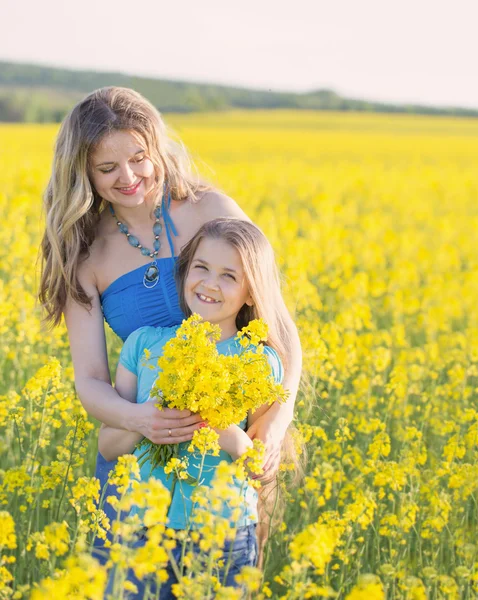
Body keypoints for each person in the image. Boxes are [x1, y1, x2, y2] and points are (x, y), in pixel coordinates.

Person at [38, 87, 302, 560]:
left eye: (139, 157)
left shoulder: (212, 210)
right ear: (83, 173)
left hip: (221, 462)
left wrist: (277, 424)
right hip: (136, 465)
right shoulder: (86, 255)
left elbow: (279, 330)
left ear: (156, 148)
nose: (129, 177)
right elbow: (92, 382)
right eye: (106, 168)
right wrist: (142, 419)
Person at [99, 217, 289, 596]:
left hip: (222, 531)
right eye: (201, 268)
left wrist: (222, 430)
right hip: (141, 528)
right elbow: (108, 445)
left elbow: (261, 467)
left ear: (251, 293)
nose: (209, 284)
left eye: (228, 276)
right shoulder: (144, 344)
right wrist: (143, 418)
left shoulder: (260, 361)